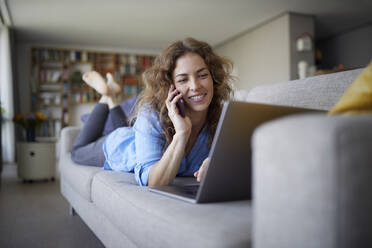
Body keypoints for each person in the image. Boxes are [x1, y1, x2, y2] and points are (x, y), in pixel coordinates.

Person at [71, 37, 233, 186]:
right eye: (183, 79)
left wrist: (217, 163)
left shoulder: (222, 117)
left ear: (214, 77)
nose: (195, 86)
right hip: (122, 146)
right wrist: (182, 133)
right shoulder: (151, 113)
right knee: (77, 153)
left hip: (135, 134)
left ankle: (111, 96)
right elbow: (154, 182)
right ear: (170, 86)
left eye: (203, 75)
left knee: (125, 128)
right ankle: (106, 96)